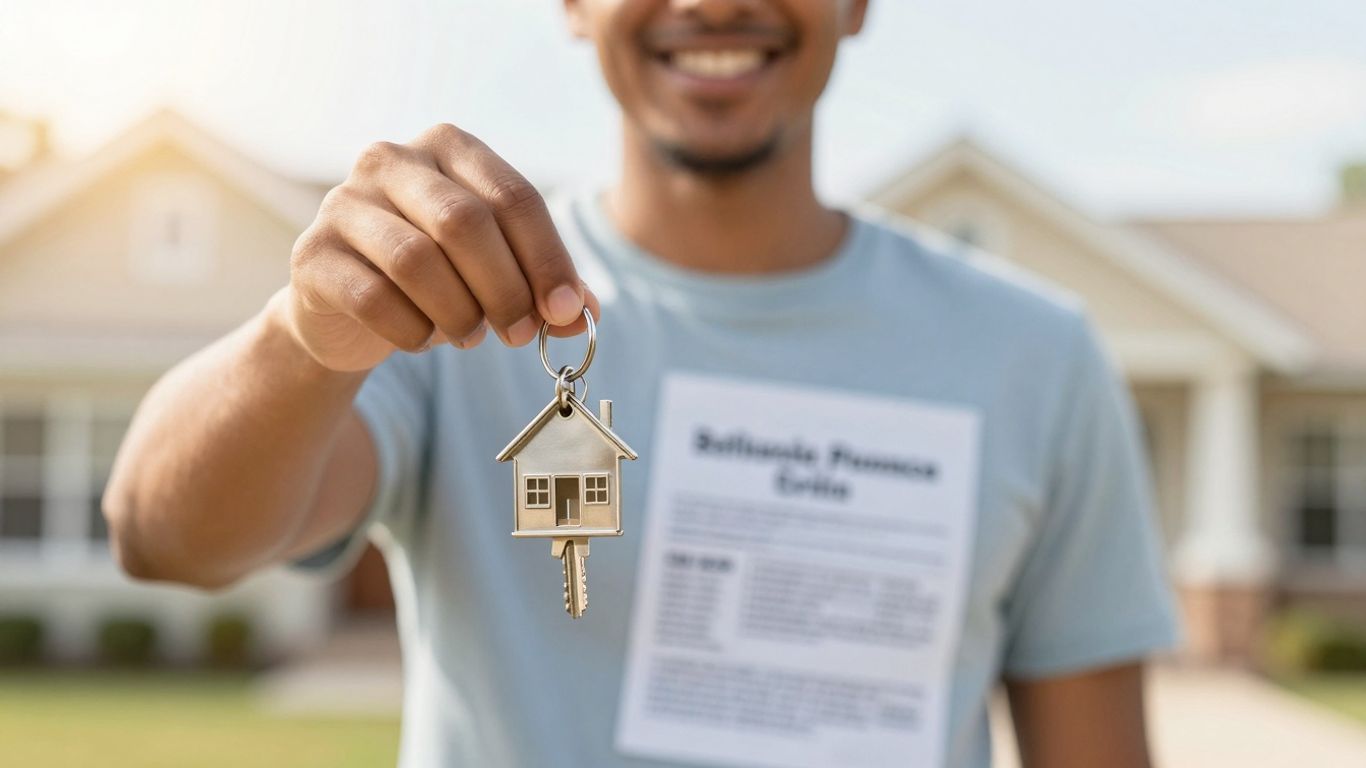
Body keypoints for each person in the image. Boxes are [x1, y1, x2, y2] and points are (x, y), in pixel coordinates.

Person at [104, 1, 1177, 766]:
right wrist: (302, 339)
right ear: (572, 6)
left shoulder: (1034, 354)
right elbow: (163, 532)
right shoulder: (444, 308)